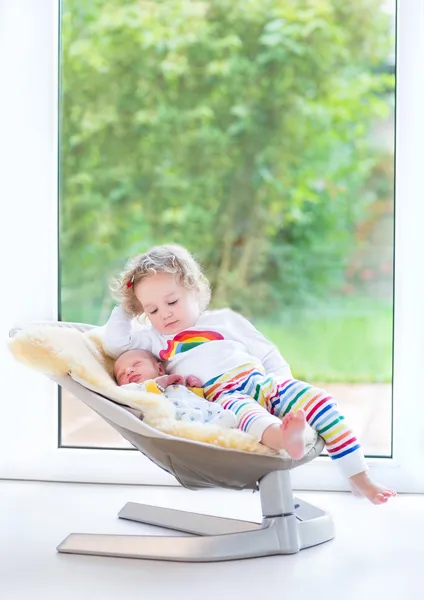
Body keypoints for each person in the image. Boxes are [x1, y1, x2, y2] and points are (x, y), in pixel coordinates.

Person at [104, 244, 396, 504]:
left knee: (321, 401)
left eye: (171, 302)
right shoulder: (155, 340)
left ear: (194, 290)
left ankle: (358, 477)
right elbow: (115, 344)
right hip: (223, 396)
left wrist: (284, 384)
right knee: (250, 418)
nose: (164, 314)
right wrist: (128, 307)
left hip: (261, 381)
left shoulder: (225, 321)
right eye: (152, 309)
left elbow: (267, 353)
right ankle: (284, 439)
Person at [114, 348, 236, 428]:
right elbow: (130, 394)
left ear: (160, 369)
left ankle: (220, 426)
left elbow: (193, 400)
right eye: (122, 374)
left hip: (201, 413)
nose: (129, 371)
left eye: (136, 364)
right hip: (180, 424)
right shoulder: (133, 390)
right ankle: (213, 430)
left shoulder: (174, 384)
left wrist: (194, 389)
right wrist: (158, 383)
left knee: (224, 413)